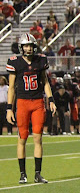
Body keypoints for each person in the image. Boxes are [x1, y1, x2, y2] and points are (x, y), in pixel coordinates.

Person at [6, 33, 57, 184]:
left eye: (30, 45)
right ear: (21, 48)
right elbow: (11, 88)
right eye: (26, 46)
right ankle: (22, 174)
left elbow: (45, 81)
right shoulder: (15, 62)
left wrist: (51, 99)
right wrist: (9, 108)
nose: (28, 48)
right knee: (22, 137)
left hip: (37, 102)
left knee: (38, 138)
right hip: (22, 102)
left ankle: (37, 174)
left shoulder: (41, 60)